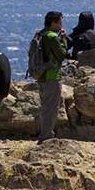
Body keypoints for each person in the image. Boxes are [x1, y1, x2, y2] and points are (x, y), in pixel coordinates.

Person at [31, 11, 68, 141]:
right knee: (51, 108)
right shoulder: (52, 37)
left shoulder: (40, 34)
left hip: (40, 75)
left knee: (45, 107)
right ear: (53, 22)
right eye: (59, 22)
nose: (61, 25)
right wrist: (63, 39)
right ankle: (46, 136)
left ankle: (45, 133)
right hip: (52, 75)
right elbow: (62, 55)